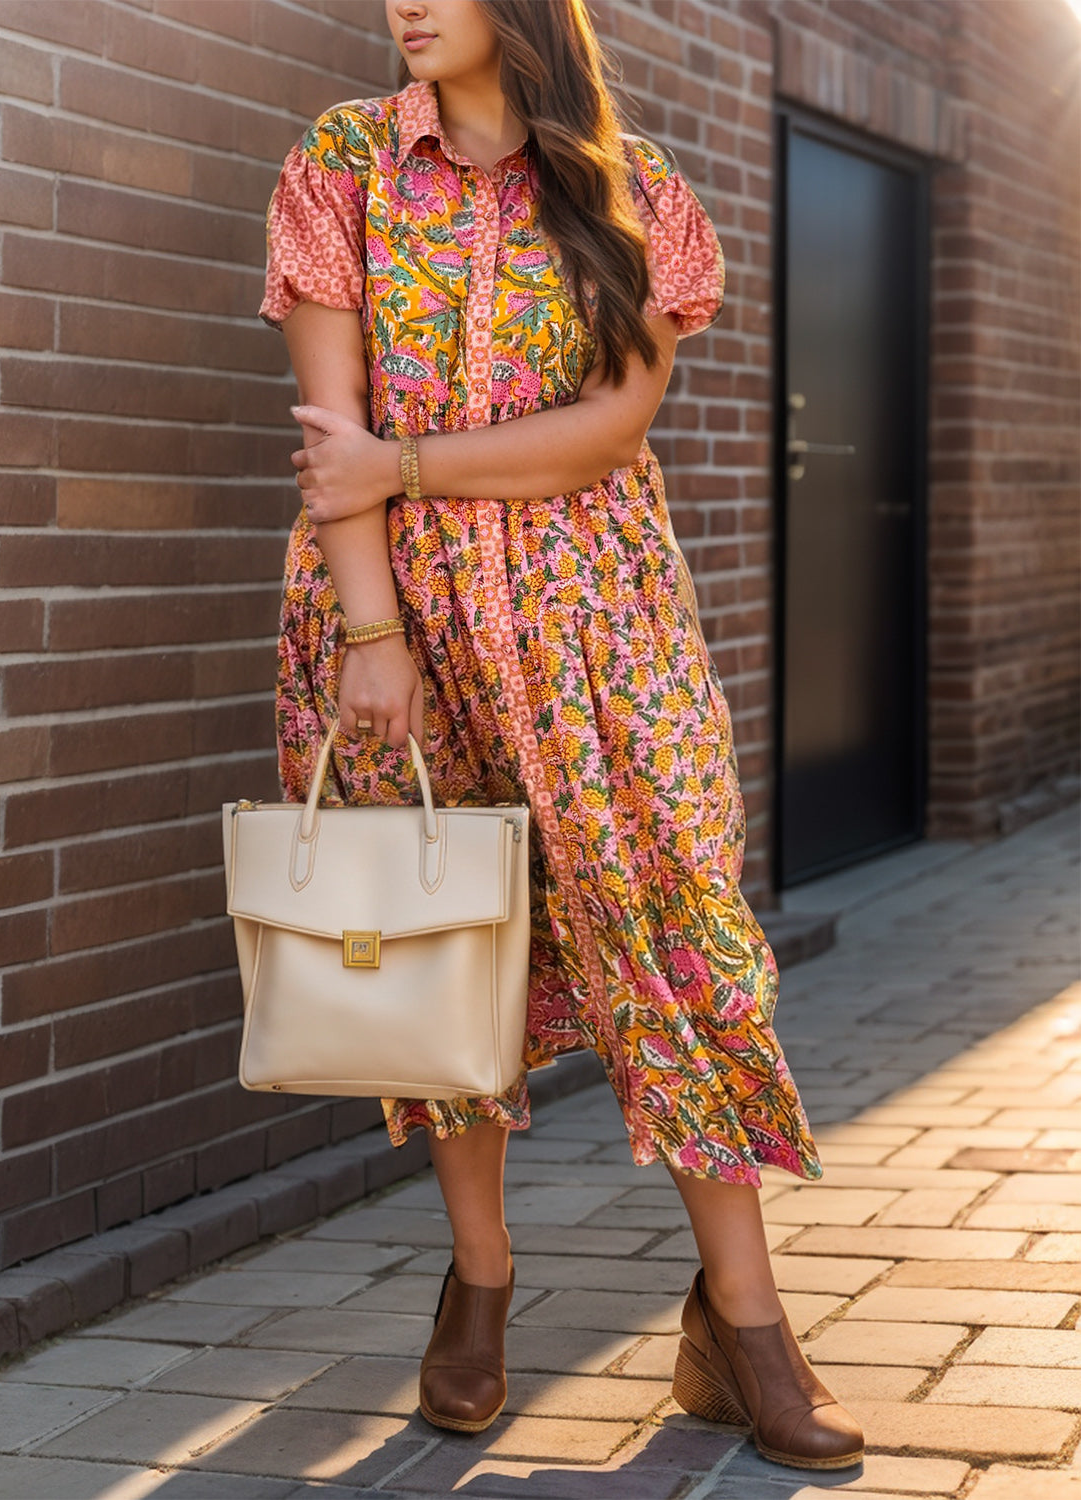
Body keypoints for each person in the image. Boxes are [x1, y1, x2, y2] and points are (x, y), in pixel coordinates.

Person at [258, 0, 864, 1472]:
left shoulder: (633, 189)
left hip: (605, 630)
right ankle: (479, 1284)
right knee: (441, 944)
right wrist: (373, 638)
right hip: (397, 627)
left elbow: (604, 430)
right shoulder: (337, 163)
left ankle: (744, 1327)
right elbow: (328, 448)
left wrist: (408, 461)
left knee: (679, 924)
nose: (407, 2)